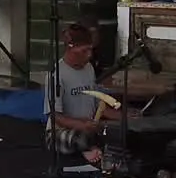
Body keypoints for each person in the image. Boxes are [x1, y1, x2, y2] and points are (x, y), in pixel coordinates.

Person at [45, 23, 121, 165]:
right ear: (70, 47)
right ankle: (86, 147)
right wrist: (80, 125)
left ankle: (89, 145)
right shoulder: (56, 74)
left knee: (115, 133)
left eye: (90, 50)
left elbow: (97, 102)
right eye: (84, 51)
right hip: (63, 131)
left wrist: (121, 116)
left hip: (89, 126)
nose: (89, 55)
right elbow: (54, 115)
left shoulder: (89, 68)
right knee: (78, 139)